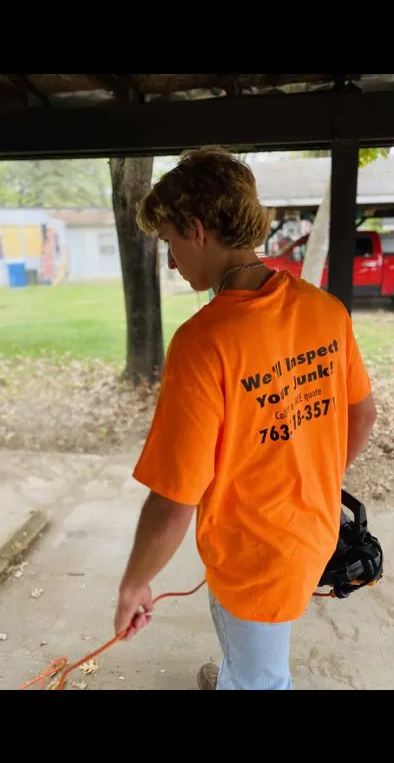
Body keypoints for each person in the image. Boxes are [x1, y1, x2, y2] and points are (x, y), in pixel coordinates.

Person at [114, 146, 377, 690]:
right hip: (312, 531)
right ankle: (234, 672)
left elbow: (172, 501)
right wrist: (314, 479)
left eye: (169, 242)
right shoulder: (325, 309)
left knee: (266, 680)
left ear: (197, 229)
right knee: (253, 656)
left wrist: (134, 584)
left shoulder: (203, 342)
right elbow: (362, 416)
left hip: (254, 556)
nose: (169, 261)